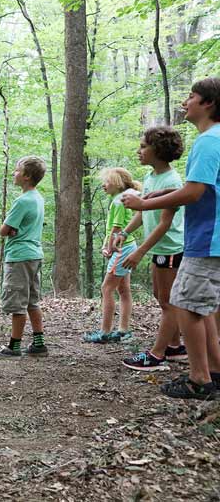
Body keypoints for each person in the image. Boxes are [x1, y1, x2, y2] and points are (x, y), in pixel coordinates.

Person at [122, 77, 220, 399]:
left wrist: (145, 202)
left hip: (206, 238)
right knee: (198, 306)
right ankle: (214, 373)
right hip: (210, 238)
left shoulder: (208, 141)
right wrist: (159, 193)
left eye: (191, 96)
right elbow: (198, 187)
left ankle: (198, 379)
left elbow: (194, 193)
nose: (185, 102)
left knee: (183, 304)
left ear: (208, 103)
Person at [119, 126, 186, 371]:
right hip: (160, 250)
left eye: (143, 146)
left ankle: (157, 355)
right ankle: (175, 345)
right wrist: (124, 233)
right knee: (161, 297)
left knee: (168, 303)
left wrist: (140, 251)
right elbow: (142, 210)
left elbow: (164, 224)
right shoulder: (150, 177)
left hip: (170, 249)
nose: (139, 151)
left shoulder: (172, 180)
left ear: (158, 150)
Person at [0, 156, 48, 359]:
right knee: (32, 300)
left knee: (17, 302)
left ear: (26, 176)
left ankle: (14, 346)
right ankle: (39, 343)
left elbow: (4, 230)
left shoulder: (22, 201)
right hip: (34, 254)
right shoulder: (38, 197)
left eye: (17, 170)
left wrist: (8, 229)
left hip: (19, 257)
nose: (13, 173)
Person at [84, 168, 142, 343]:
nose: (104, 185)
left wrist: (109, 250)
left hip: (121, 249)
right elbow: (114, 229)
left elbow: (116, 230)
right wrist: (105, 244)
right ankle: (123, 330)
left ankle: (105, 332)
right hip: (128, 245)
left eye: (107, 182)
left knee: (106, 288)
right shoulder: (121, 199)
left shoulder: (118, 202)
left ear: (117, 183)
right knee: (123, 289)